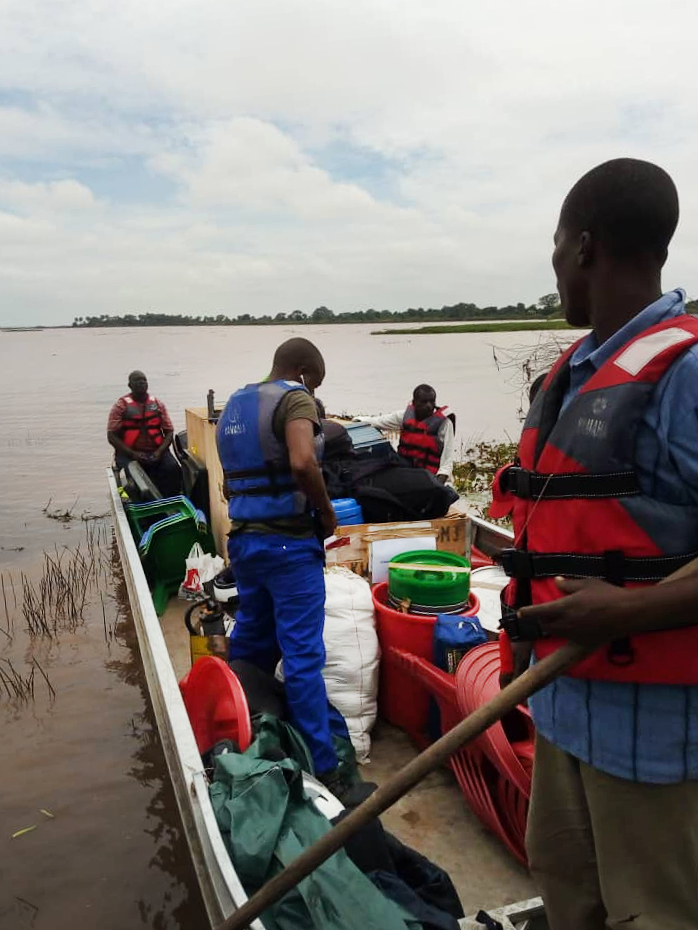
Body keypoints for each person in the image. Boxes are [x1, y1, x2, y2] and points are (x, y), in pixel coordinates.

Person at [490, 158, 698, 930]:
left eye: (554, 250)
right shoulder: (575, 374)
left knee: (653, 913)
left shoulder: (686, 374)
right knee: (566, 890)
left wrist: (626, 611)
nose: (553, 271)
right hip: (562, 710)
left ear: (583, 247)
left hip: (655, 741)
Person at [216, 337, 352, 793]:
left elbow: (226, 487)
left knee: (251, 642)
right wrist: (327, 512)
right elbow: (301, 460)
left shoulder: (235, 403)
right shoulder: (295, 398)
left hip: (245, 544)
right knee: (302, 658)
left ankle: (241, 732)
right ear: (306, 372)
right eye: (315, 382)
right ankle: (323, 766)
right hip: (289, 549)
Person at [356, 384, 455, 484]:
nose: (429, 406)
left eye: (432, 401)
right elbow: (379, 422)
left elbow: (447, 463)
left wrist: (437, 486)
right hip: (407, 471)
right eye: (424, 402)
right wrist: (358, 420)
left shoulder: (445, 424)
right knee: (385, 453)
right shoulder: (403, 416)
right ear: (415, 402)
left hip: (430, 476)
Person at [107, 370, 182, 498]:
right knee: (137, 482)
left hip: (156, 451)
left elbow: (169, 431)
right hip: (130, 454)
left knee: (173, 469)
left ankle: (171, 500)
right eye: (137, 380)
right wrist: (133, 454)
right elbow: (112, 436)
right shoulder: (120, 406)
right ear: (130, 385)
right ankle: (138, 505)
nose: (141, 383)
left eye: (144, 380)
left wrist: (159, 452)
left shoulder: (157, 404)